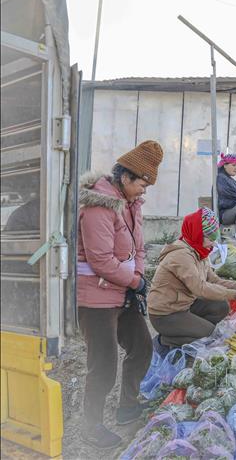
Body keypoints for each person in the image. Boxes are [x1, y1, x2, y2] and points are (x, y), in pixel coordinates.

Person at [76, 140, 163, 449]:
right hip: (95, 297)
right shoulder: (99, 204)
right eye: (143, 183)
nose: (145, 190)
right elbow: (100, 259)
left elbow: (138, 248)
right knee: (103, 362)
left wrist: (136, 278)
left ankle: (127, 406)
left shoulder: (130, 205)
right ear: (126, 177)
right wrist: (134, 282)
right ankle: (91, 425)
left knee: (141, 346)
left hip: (123, 290)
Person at [148, 207, 236, 353]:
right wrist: (234, 294)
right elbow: (200, 288)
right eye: (210, 237)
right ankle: (165, 340)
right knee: (210, 334)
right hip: (165, 314)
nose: (213, 242)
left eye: (214, 237)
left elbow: (214, 280)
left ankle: (189, 330)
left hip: (183, 306)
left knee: (221, 306)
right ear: (197, 233)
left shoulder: (199, 252)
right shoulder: (181, 256)